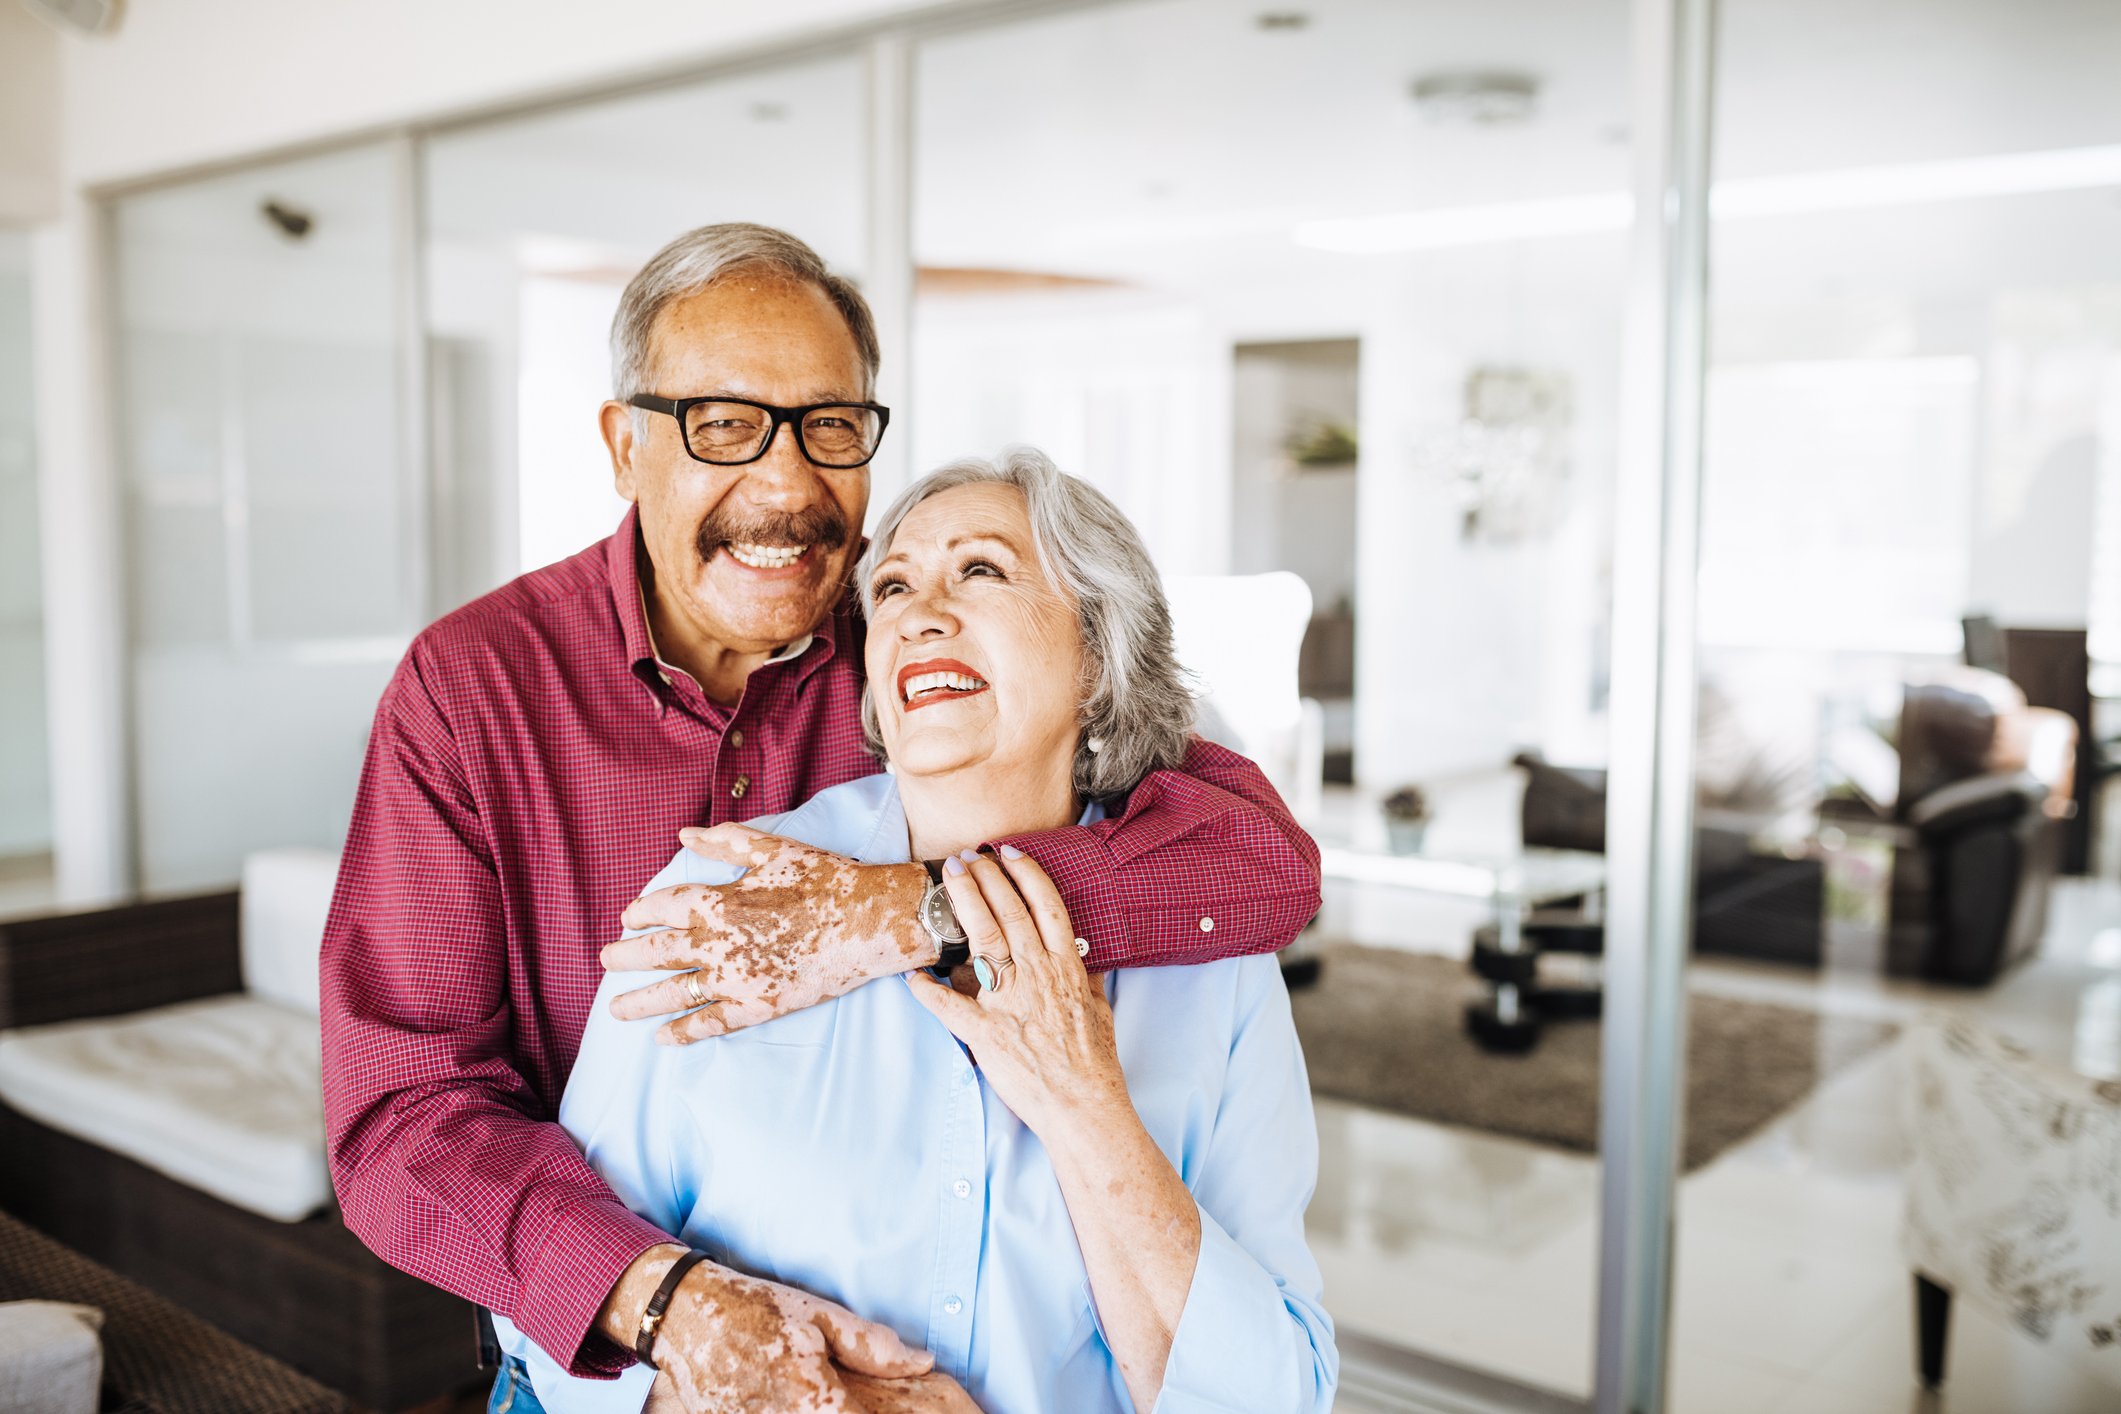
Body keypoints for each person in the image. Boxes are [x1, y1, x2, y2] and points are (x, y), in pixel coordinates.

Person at [318, 224, 1322, 1409]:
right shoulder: (476, 689)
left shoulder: (914, 660)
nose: (787, 487)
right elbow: (404, 1121)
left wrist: (906, 911)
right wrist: (680, 1316)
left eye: (829, 427)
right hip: (602, 1346)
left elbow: (1263, 861)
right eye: (723, 424)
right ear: (623, 446)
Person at [493, 450, 1336, 1414]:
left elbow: (1272, 1398)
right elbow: (560, 1325)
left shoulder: (1210, 958)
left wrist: (1082, 1104)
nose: (920, 612)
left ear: (1099, 653)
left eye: (981, 570)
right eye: (891, 586)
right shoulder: (733, 896)